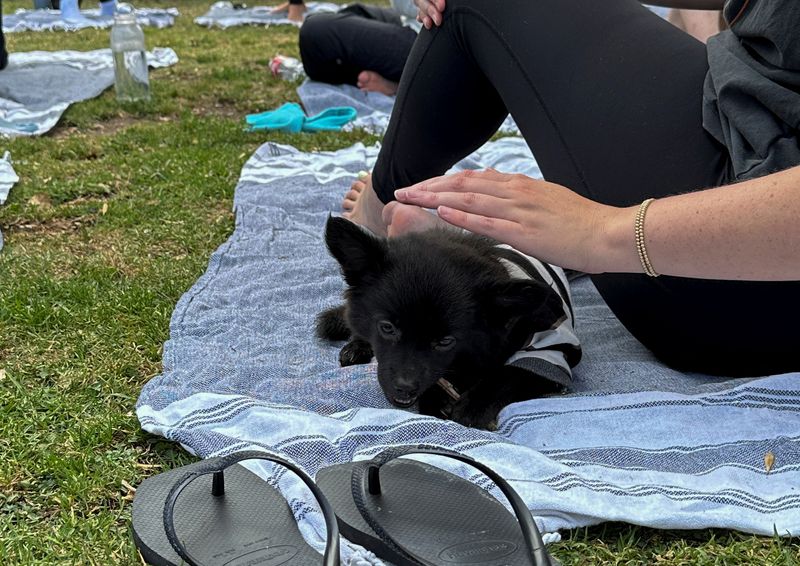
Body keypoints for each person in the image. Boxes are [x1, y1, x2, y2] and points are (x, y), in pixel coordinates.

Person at [342, 0, 800, 377]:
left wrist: (601, 232)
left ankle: (377, 208)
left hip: (738, 277)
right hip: (753, 112)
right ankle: (411, 217)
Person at [297, 1, 418, 95]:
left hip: (427, 40)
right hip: (410, 19)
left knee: (316, 31)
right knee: (355, 11)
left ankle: (397, 86)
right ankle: (397, 80)